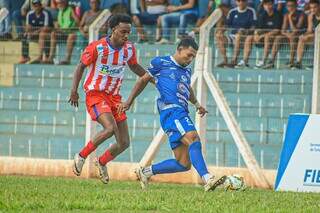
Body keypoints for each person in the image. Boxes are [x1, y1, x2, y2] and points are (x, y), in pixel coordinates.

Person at [118, 37, 227, 192]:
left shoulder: (186, 71)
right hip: (171, 110)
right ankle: (207, 178)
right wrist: (129, 101)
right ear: (180, 48)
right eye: (189, 55)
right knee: (194, 138)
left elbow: (187, 89)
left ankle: (145, 172)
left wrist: (197, 105)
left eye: (193, 57)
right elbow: (142, 80)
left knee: (183, 164)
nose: (190, 59)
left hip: (181, 111)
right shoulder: (160, 62)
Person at [70, 14, 149, 184]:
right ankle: (81, 155)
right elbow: (80, 67)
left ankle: (102, 161)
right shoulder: (97, 48)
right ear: (113, 30)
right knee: (110, 128)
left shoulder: (129, 49)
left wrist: (151, 77)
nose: (126, 35)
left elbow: (134, 66)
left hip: (115, 98)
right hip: (95, 94)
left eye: (129, 32)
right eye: (123, 32)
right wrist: (74, 91)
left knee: (124, 142)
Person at [236, 0, 282, 68]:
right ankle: (245, 61)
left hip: (273, 37)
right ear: (263, 6)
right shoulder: (262, 14)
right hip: (263, 37)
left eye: (270, 4)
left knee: (267, 37)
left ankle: (263, 61)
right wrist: (256, 34)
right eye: (266, 5)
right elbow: (258, 29)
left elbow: (277, 30)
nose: (268, 6)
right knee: (249, 38)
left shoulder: (277, 14)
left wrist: (263, 35)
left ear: (273, 4)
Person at [215, 0, 257, 67]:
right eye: (238, 1)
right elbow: (227, 25)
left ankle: (234, 60)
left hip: (245, 36)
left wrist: (245, 31)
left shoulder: (251, 11)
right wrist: (221, 31)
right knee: (218, 36)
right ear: (236, 2)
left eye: (243, 1)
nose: (241, 3)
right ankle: (225, 60)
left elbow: (254, 26)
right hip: (232, 36)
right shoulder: (232, 12)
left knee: (238, 36)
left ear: (246, 2)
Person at [265, 0, 305, 68]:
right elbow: (283, 30)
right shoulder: (286, 15)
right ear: (286, 7)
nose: (290, 8)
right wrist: (288, 35)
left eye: (292, 6)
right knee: (278, 37)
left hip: (299, 35)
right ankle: (271, 61)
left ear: (296, 6)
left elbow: (295, 30)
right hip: (289, 35)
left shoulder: (301, 15)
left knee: (293, 37)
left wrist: (290, 18)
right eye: (288, 6)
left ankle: (291, 61)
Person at [45, 0, 80, 65]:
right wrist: (56, 26)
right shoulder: (60, 11)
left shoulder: (70, 9)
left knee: (71, 36)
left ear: (65, 2)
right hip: (63, 32)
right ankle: (50, 58)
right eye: (58, 3)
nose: (59, 4)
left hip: (71, 32)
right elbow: (59, 24)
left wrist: (73, 12)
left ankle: (67, 59)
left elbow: (78, 22)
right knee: (53, 33)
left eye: (61, 3)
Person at [294, 0, 320, 69]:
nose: (313, 9)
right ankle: (298, 62)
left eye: (315, 7)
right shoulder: (311, 16)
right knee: (302, 39)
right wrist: (304, 35)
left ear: (319, 7)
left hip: (318, 35)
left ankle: (316, 63)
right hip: (316, 36)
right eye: (311, 8)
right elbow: (309, 30)